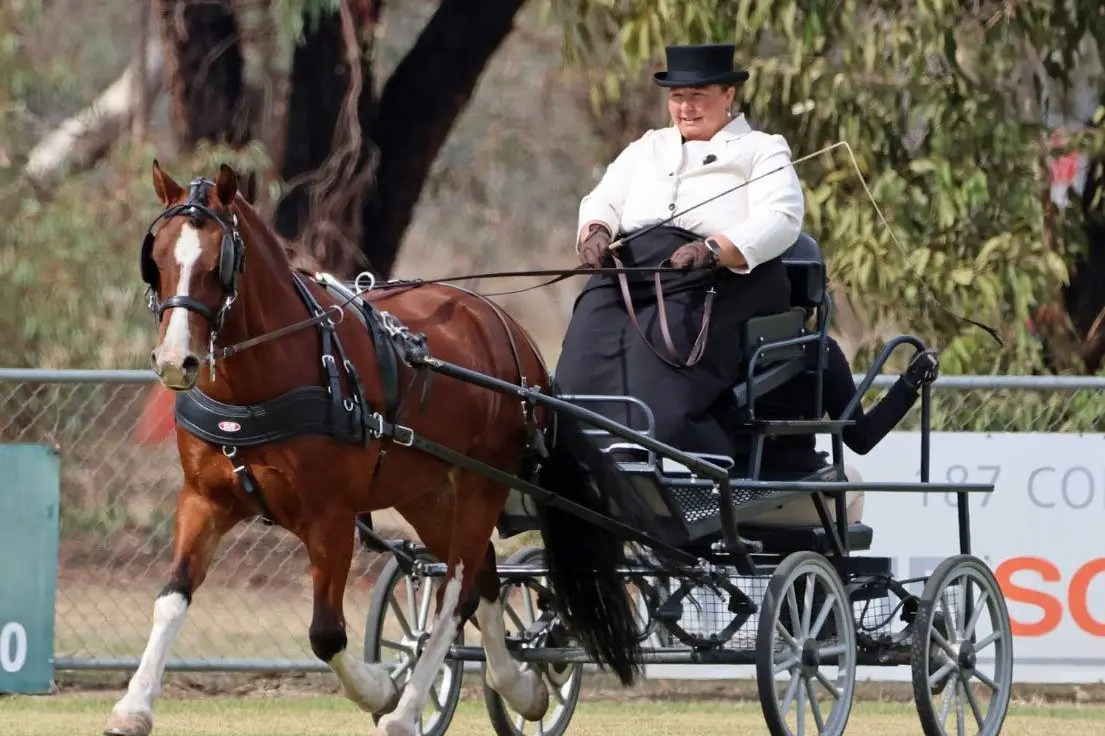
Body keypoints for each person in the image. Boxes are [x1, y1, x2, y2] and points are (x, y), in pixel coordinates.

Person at [554, 43, 806, 460]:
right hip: (633, 270)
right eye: (677, 96)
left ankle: (674, 456)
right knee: (588, 331)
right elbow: (604, 198)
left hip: (715, 275)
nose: (685, 108)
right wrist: (595, 230)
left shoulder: (762, 148)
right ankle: (577, 454)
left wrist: (712, 249)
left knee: (661, 342)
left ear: (728, 95)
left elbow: (781, 218)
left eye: (698, 96)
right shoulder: (647, 147)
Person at [738, 337, 941, 526]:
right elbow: (861, 437)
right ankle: (827, 553)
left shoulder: (729, 341)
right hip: (784, 493)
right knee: (854, 482)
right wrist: (910, 382)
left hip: (726, 496)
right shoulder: (820, 348)